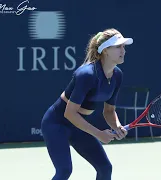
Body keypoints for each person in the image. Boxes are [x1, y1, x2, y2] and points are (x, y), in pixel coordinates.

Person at [40, 28, 133, 180]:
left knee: (105, 168)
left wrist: (117, 126)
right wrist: (99, 133)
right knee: (64, 171)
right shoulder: (86, 74)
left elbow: (109, 111)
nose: (123, 50)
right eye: (118, 46)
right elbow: (69, 113)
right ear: (105, 51)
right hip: (56, 124)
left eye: (124, 46)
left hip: (78, 126)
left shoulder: (117, 75)